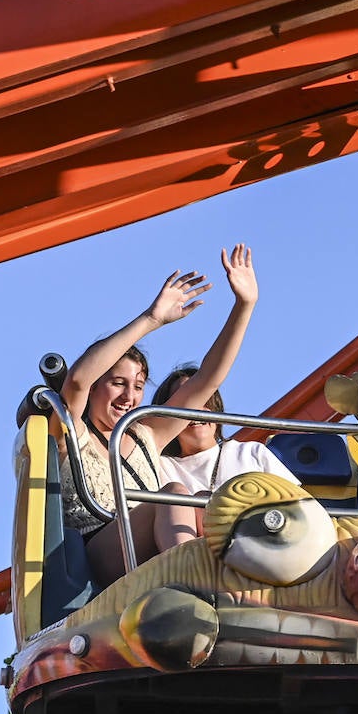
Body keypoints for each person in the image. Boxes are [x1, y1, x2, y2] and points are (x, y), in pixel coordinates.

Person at [57, 244, 259, 587]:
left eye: (137, 386)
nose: (129, 396)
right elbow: (76, 380)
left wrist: (245, 305)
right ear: (96, 386)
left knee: (203, 503)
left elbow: (208, 378)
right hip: (101, 557)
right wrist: (151, 320)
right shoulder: (72, 434)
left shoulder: (145, 435)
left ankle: (234, 586)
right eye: (118, 383)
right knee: (176, 491)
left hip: (153, 549)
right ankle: (192, 588)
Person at [150, 364, 300, 549]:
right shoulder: (158, 466)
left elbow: (298, 507)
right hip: (196, 562)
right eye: (187, 400)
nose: (198, 409)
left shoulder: (251, 453)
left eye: (206, 399)